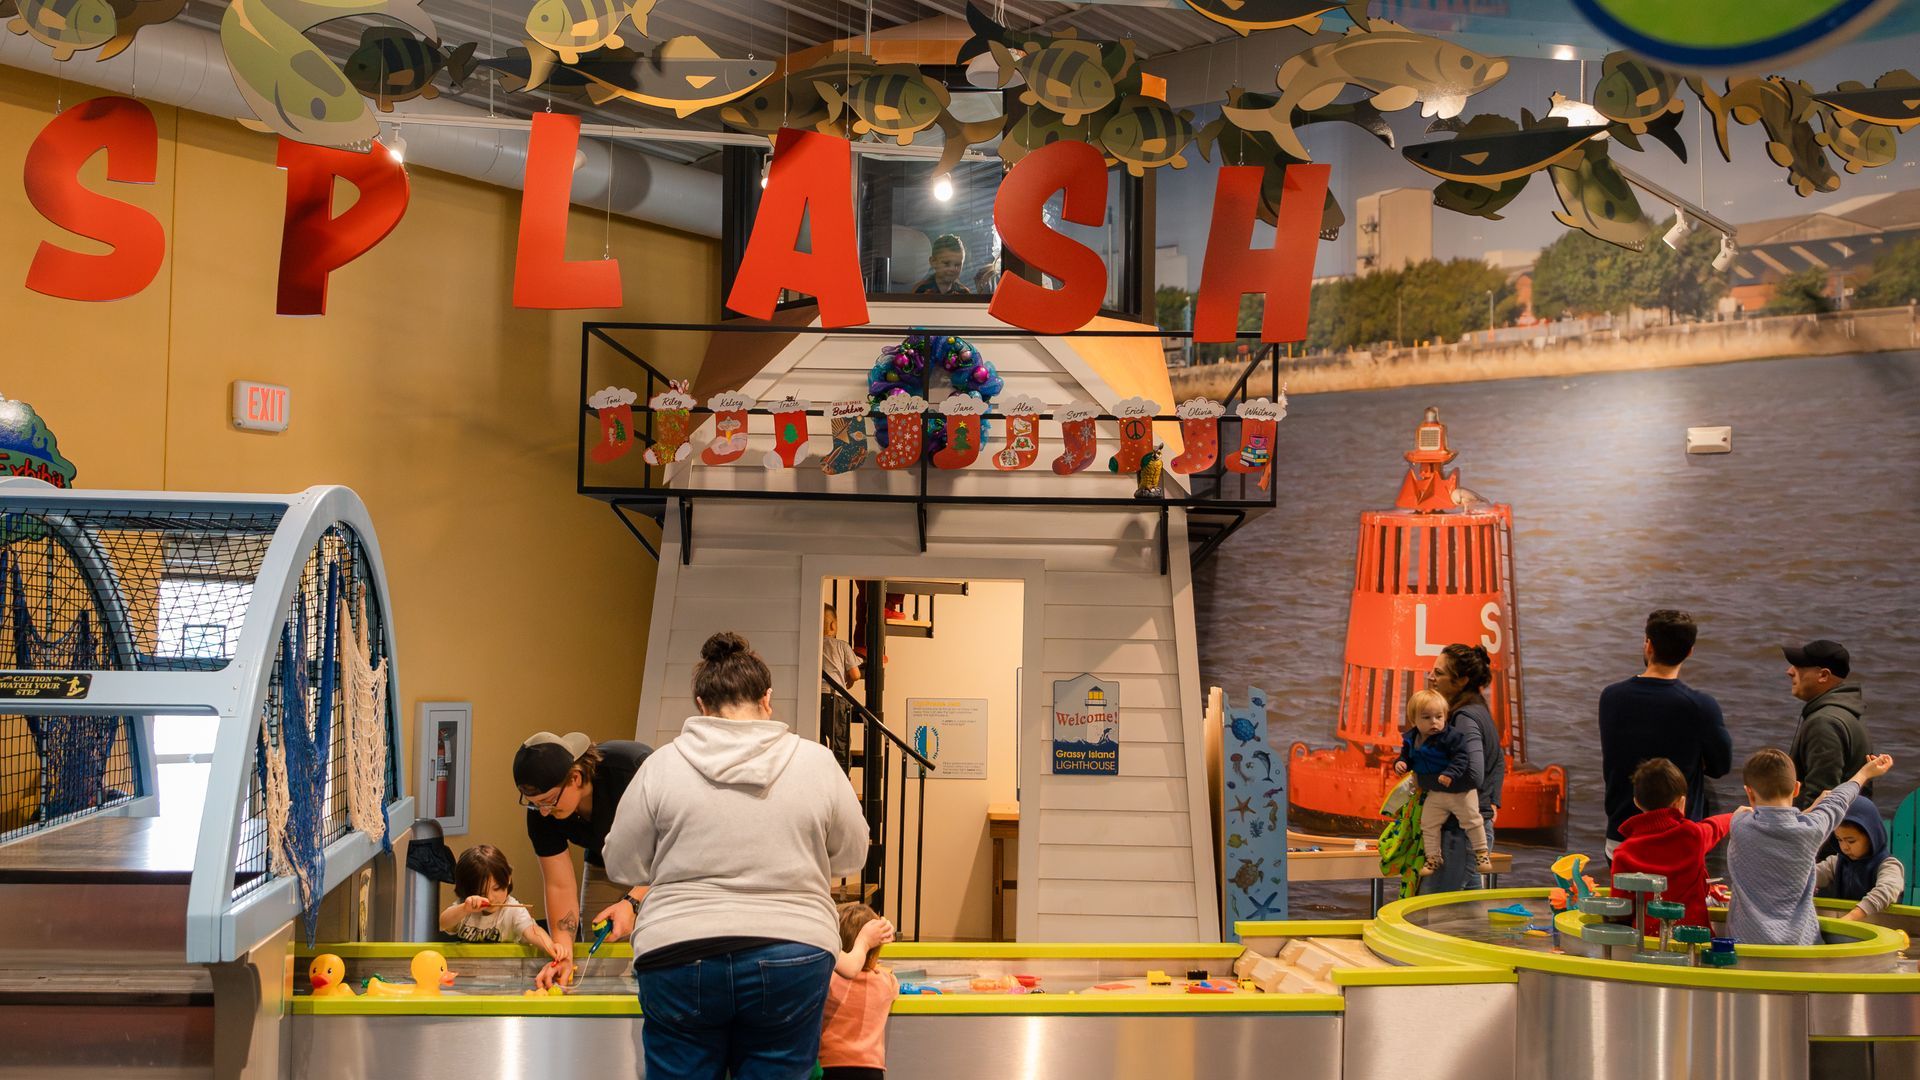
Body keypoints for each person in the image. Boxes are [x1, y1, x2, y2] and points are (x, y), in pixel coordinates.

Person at [603, 631, 869, 1079]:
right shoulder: (817, 762)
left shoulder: (662, 765)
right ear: (767, 699)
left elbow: (621, 864)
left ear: (701, 706)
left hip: (677, 953)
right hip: (793, 952)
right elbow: (852, 855)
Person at [515, 731, 653, 990]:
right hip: (606, 863)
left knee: (658, 946)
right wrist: (562, 952)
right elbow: (559, 884)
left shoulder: (631, 771)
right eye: (535, 805)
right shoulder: (542, 812)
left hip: (666, 864)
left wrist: (632, 902)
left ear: (575, 778)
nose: (544, 811)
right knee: (600, 955)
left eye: (548, 802)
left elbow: (675, 850)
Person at [1598, 610, 1733, 859]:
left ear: (1648, 645)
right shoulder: (1700, 706)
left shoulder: (1611, 697)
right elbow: (1720, 765)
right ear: (1690, 651)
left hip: (1621, 835)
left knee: (1627, 898)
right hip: (1677, 838)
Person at [1727, 747, 1893, 945]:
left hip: (1744, 943)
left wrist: (1812, 808)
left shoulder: (1739, 824)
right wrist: (1866, 772)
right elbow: (1839, 799)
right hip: (1798, 946)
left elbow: (1775, 825)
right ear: (1796, 788)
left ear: (1749, 793)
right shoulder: (1811, 830)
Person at [1609, 758, 1733, 932]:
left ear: (1636, 801)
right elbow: (1715, 826)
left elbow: (1621, 908)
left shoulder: (1624, 852)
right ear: (1680, 803)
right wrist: (1735, 816)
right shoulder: (1692, 835)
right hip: (1694, 938)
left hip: (1648, 941)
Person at [1425, 643, 1503, 892]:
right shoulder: (1479, 709)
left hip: (1460, 834)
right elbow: (1499, 760)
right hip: (1474, 829)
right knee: (1466, 913)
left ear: (1461, 681)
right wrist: (1491, 802)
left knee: (1430, 911)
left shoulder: (1464, 718)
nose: (1431, 677)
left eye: (1439, 673)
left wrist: (1425, 781)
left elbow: (1474, 774)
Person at [1393, 689, 1491, 876]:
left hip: (1460, 792)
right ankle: (1433, 858)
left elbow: (1462, 758)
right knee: (1428, 823)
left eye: (1439, 717)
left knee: (1472, 820)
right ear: (1414, 721)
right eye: (1427, 717)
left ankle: (1482, 853)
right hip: (1436, 792)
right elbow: (1406, 757)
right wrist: (1400, 763)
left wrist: (1450, 773)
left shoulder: (1452, 737)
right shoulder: (1411, 739)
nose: (1434, 722)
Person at [1784, 639, 1871, 810]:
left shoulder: (1824, 723)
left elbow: (1820, 798)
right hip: (1845, 830)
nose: (1789, 672)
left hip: (1824, 834)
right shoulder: (1847, 712)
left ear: (1823, 675)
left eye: (1799, 666)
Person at [439, 844, 566, 961]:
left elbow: (533, 931)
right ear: (467, 890)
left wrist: (551, 946)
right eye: (482, 893)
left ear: (508, 878)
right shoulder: (467, 907)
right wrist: (464, 909)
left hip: (504, 972)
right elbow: (444, 923)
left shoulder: (514, 910)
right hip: (469, 971)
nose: (491, 898)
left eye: (497, 888)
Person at [819, 903, 899, 1080]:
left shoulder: (827, 979)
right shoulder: (885, 982)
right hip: (870, 1069)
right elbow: (895, 986)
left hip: (829, 1066)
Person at [1815, 797, 1906, 922]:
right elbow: (1810, 875)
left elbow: (1886, 890)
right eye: (1839, 840)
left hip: (1882, 930)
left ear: (1871, 836)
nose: (1844, 847)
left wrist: (1852, 917)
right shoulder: (1836, 863)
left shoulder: (1888, 865)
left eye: (1851, 841)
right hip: (1848, 928)